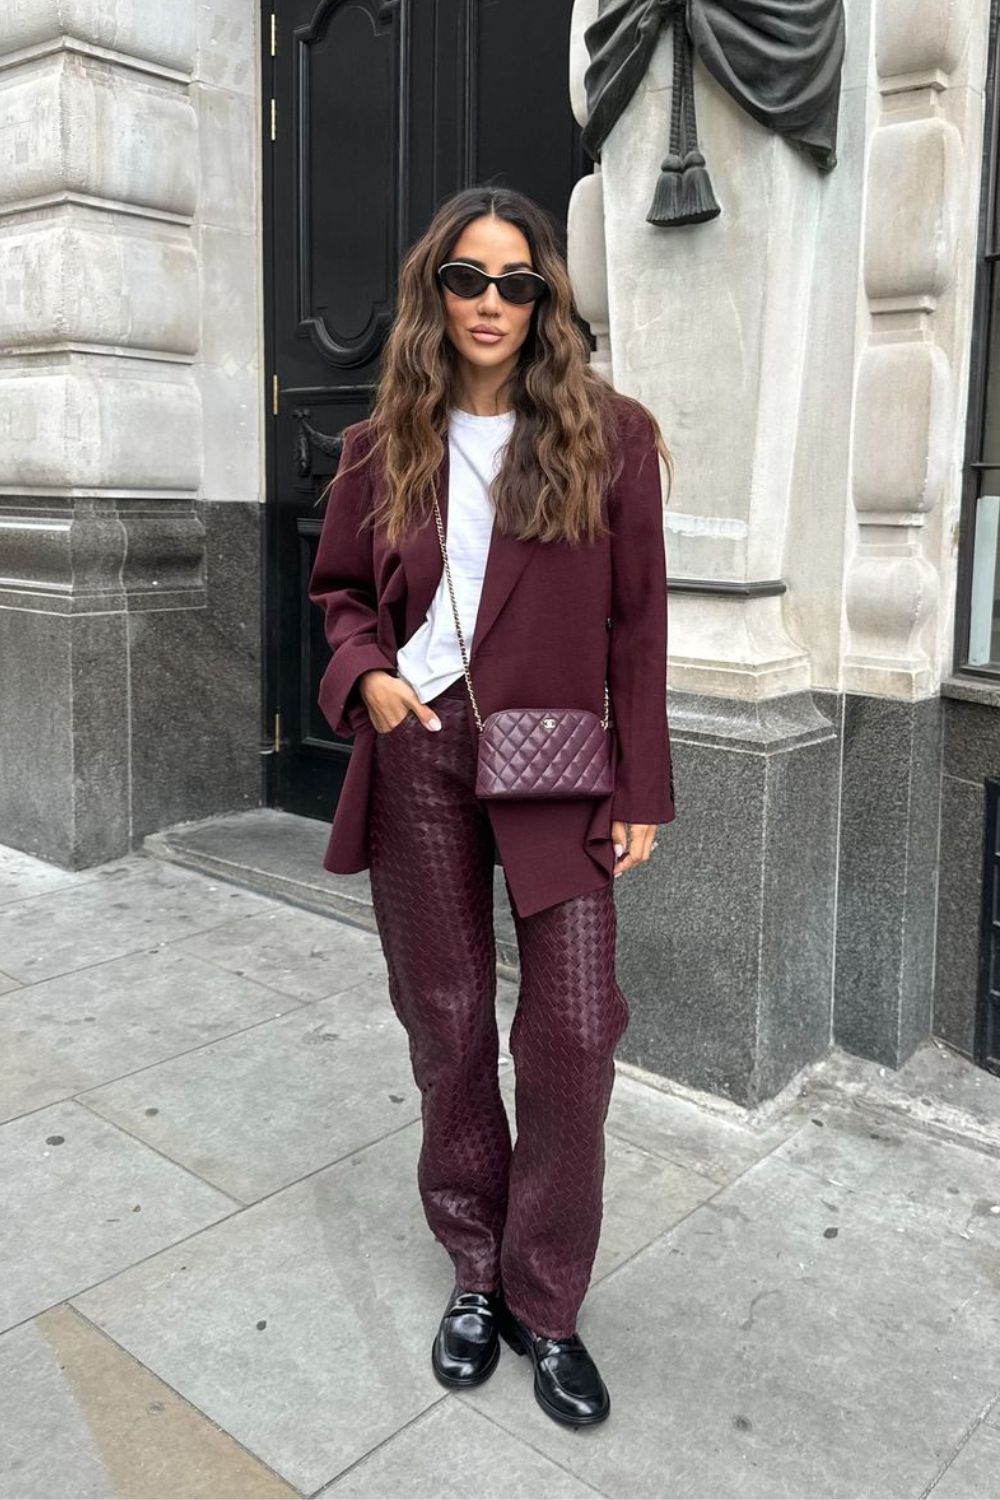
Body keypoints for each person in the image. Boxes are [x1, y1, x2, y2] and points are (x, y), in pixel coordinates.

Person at [308, 185, 675, 1429]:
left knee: (573, 1033)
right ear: (435, 290)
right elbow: (341, 593)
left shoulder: (608, 436)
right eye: (469, 278)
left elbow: (638, 630)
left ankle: (548, 1301)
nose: (491, 304)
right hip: (418, 751)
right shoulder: (379, 447)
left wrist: (645, 786)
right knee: (448, 1023)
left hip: (560, 762)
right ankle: (476, 1270)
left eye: (517, 283)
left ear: (545, 300)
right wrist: (366, 675)